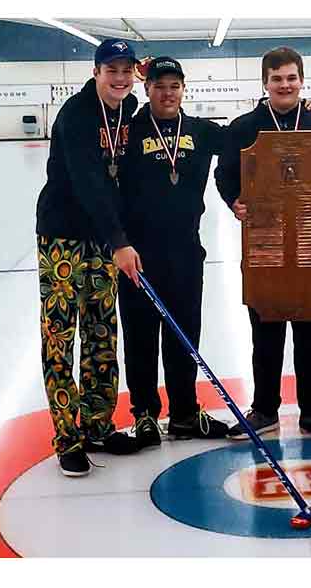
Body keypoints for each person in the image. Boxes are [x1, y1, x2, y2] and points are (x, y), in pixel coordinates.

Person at [215, 46, 311, 441]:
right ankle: (264, 409)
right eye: (277, 79)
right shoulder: (244, 126)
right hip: (264, 237)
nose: (285, 85)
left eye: (291, 78)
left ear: (302, 80)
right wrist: (234, 202)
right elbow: (225, 175)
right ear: (265, 83)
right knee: (266, 329)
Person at [36, 39, 143, 477]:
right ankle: (67, 438)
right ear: (96, 71)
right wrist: (119, 241)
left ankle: (98, 425)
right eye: (110, 69)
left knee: (102, 332)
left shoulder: (127, 105)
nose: (119, 78)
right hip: (63, 237)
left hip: (101, 239)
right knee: (61, 337)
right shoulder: (76, 115)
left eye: (126, 69)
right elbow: (88, 183)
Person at [117, 57, 229, 446]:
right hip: (138, 255)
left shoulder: (199, 131)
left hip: (185, 252)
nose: (167, 93)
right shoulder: (127, 131)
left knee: (184, 336)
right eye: (159, 85)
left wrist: (308, 111)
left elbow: (248, 138)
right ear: (146, 89)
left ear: (184, 89)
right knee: (140, 337)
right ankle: (145, 415)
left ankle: (184, 412)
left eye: (174, 86)